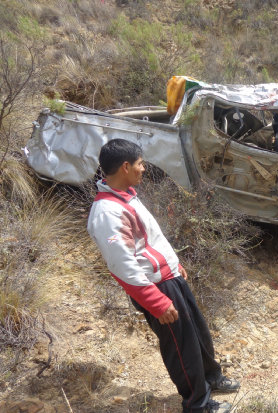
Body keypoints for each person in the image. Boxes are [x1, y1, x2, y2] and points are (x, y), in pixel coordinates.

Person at [87, 139, 238, 413]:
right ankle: (197, 404)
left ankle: (211, 378)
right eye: (140, 164)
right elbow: (122, 265)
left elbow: (151, 239)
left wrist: (173, 263)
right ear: (125, 167)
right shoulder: (107, 212)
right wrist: (155, 302)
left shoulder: (126, 195)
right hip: (155, 287)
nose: (143, 169)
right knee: (181, 348)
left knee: (198, 333)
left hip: (168, 278)